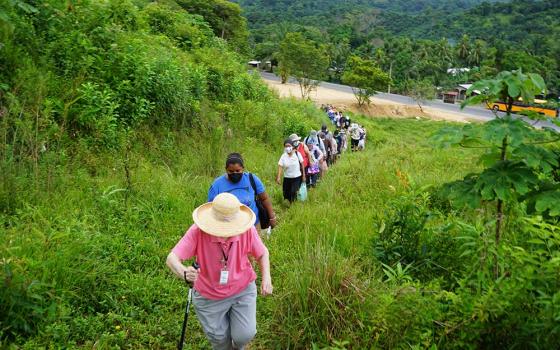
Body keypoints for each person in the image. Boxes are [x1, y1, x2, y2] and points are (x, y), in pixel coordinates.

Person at [166, 193, 272, 350]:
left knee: (245, 335)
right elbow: (172, 258)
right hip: (208, 294)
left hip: (242, 288)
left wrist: (266, 278)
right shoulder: (198, 231)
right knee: (219, 340)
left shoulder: (246, 230)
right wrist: (184, 272)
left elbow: (262, 253)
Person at [208, 153, 276, 230]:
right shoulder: (217, 185)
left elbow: (264, 198)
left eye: (238, 170)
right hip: (228, 229)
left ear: (243, 168)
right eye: (231, 171)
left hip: (253, 225)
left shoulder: (252, 179)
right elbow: (211, 208)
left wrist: (272, 217)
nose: (235, 173)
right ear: (226, 170)